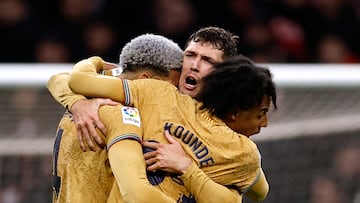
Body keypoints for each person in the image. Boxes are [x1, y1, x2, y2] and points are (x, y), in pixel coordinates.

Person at [67, 54, 277, 202]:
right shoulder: (242, 153)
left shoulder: (156, 93)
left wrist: (95, 61)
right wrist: (190, 171)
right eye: (261, 113)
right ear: (235, 112)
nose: (264, 123)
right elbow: (259, 193)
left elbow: (78, 81)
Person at [48, 33, 184, 203]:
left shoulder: (81, 97)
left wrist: (77, 101)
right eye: (171, 88)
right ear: (145, 80)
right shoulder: (123, 114)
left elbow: (58, 79)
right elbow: (137, 193)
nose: (174, 95)